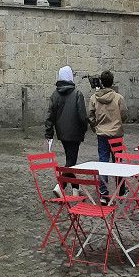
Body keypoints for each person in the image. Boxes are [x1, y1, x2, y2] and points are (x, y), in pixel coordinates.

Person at [45, 66, 88, 196]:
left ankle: (76, 188)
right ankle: (60, 185)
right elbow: (82, 116)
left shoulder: (55, 95)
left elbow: (50, 116)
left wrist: (49, 132)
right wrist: (84, 129)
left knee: (70, 159)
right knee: (71, 162)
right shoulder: (77, 94)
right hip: (75, 132)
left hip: (62, 132)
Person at [88, 70, 126, 202]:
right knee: (118, 162)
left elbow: (90, 116)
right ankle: (121, 191)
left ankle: (103, 193)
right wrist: (118, 123)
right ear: (112, 81)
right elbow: (124, 114)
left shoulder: (94, 98)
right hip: (116, 134)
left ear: (101, 82)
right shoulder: (118, 98)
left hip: (102, 134)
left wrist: (95, 127)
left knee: (103, 162)